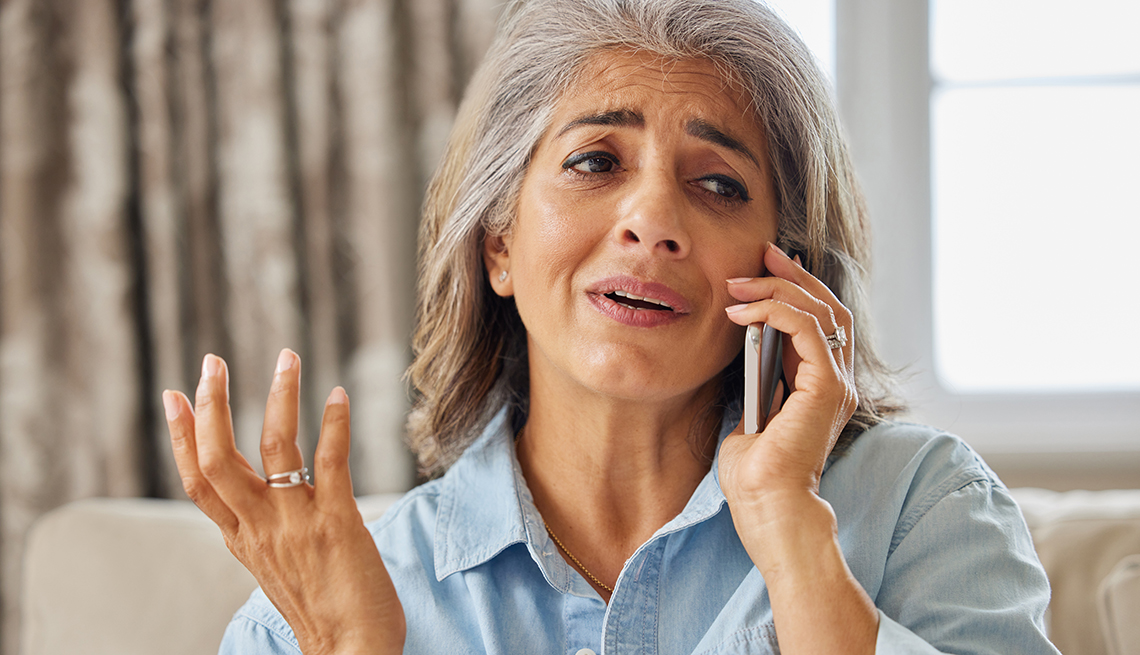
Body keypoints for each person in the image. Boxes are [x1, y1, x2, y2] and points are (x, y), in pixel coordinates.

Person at [161, 0, 1061, 653]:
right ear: (499, 245)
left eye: (718, 184)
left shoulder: (917, 508)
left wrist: (793, 538)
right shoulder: (312, 612)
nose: (652, 221)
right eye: (595, 161)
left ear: (788, 270)